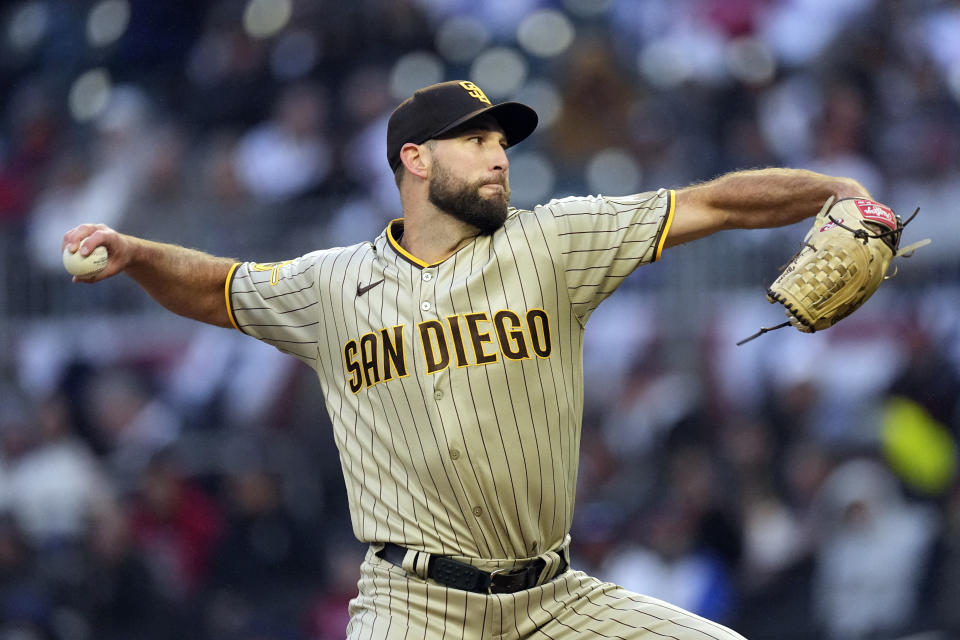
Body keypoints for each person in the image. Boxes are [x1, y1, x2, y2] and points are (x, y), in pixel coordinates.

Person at [63, 80, 872, 639]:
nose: (499, 156)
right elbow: (217, 288)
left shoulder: (554, 242)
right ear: (415, 160)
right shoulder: (333, 284)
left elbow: (711, 202)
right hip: (412, 605)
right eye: (477, 141)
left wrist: (830, 188)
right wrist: (135, 252)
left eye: (502, 142)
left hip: (555, 599)